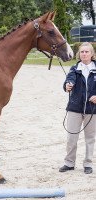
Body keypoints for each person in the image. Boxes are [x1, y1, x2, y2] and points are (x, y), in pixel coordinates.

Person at [59, 42, 96, 174]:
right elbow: (69, 79)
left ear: (92, 54)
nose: (84, 54)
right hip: (74, 108)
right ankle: (69, 163)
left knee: (90, 138)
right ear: (78, 54)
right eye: (82, 52)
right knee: (71, 137)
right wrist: (68, 85)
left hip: (92, 110)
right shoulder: (74, 69)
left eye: (87, 51)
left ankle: (88, 164)